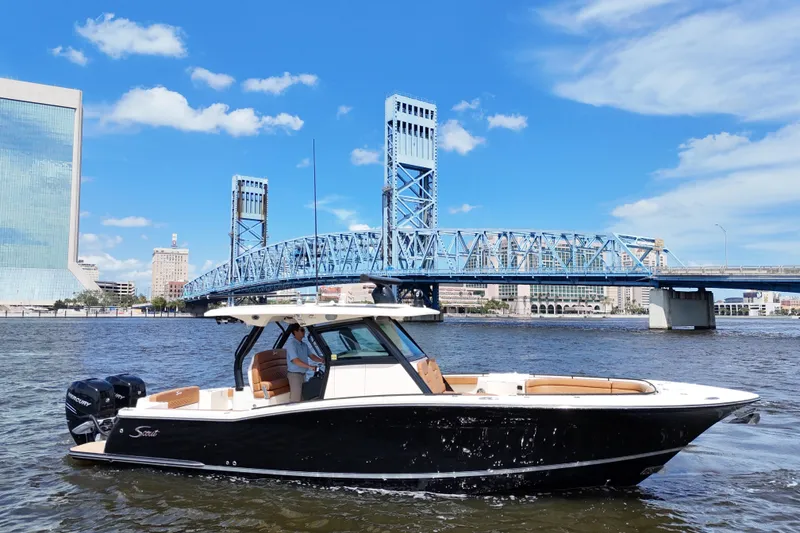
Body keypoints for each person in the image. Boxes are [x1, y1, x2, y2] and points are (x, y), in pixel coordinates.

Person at [285, 323, 324, 402]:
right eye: (302, 330)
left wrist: (322, 360)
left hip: (303, 375)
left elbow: (312, 356)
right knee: (295, 400)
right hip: (294, 375)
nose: (304, 332)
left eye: (304, 330)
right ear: (295, 332)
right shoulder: (291, 344)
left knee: (303, 398)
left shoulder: (304, 345)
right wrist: (310, 367)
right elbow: (295, 360)